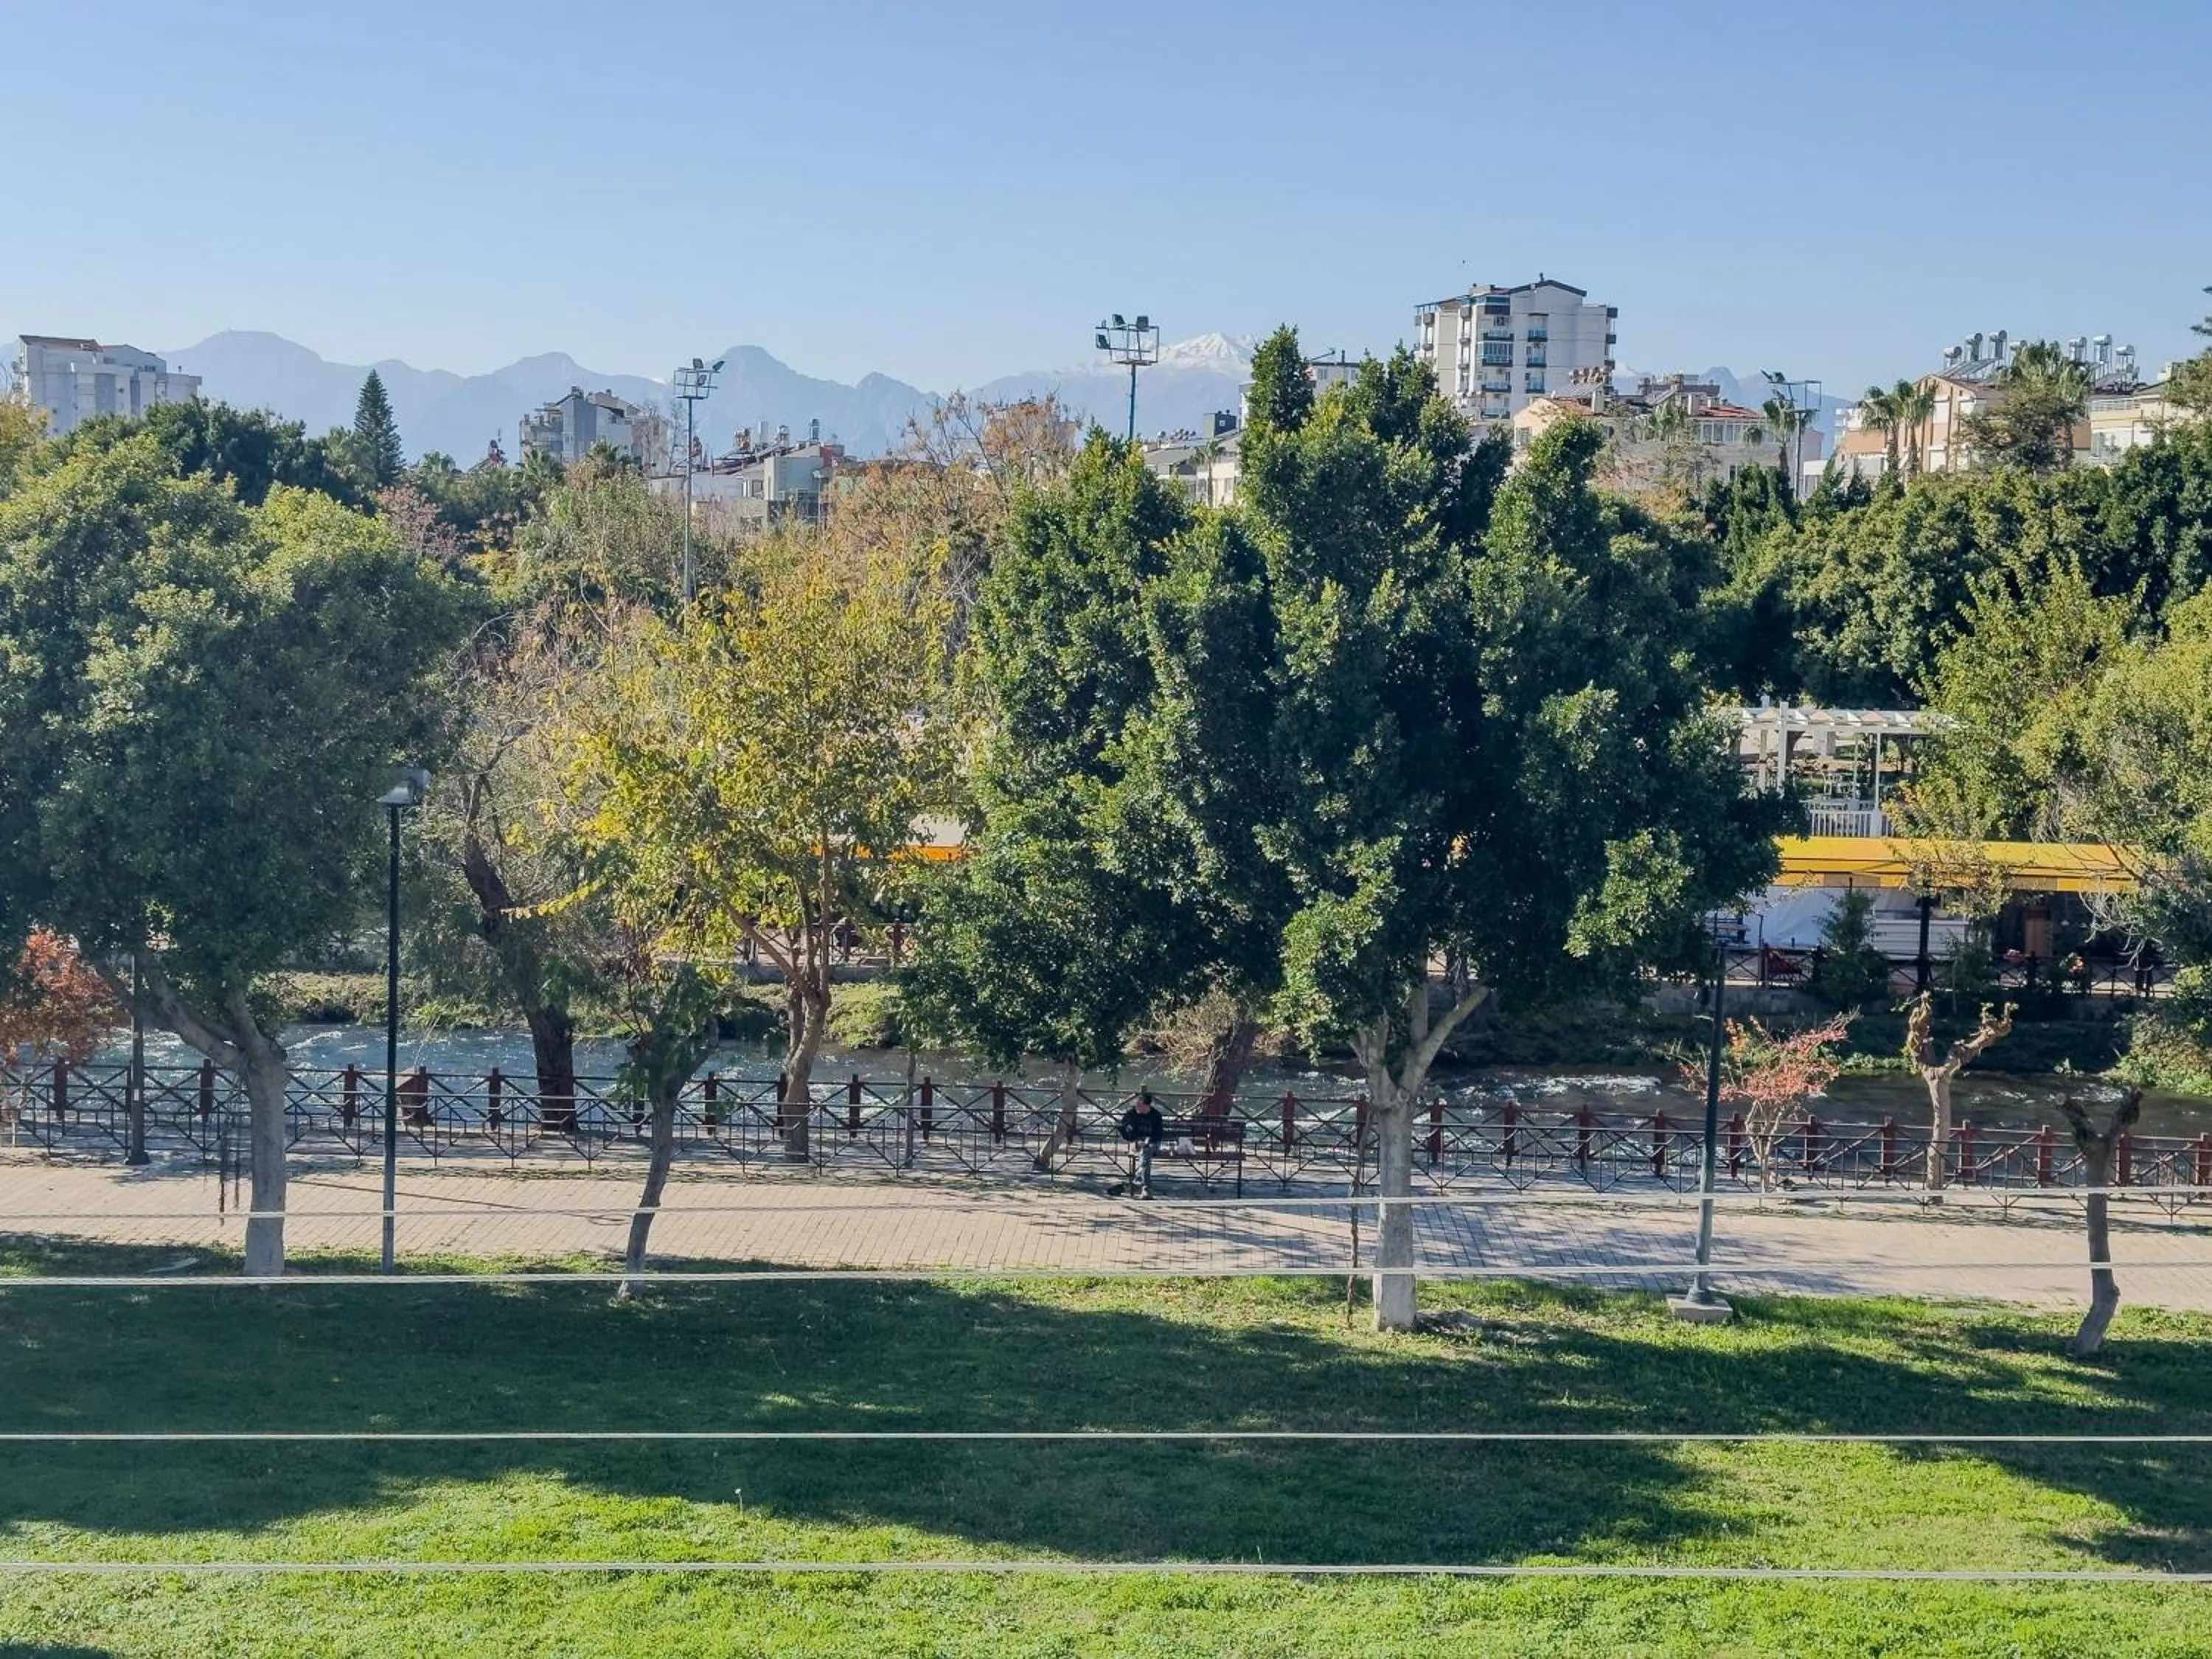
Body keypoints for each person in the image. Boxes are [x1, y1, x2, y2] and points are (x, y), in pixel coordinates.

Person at [1117, 1088, 1166, 1198]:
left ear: (1147, 1105)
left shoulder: (1156, 1116)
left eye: (1140, 1105)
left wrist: (1146, 1142)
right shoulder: (1131, 1114)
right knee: (1145, 1154)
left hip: (1152, 1144)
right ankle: (1144, 1187)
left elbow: (1158, 1136)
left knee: (1146, 1151)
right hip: (1135, 1144)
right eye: (1136, 1105)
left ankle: (1139, 1183)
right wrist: (1132, 1141)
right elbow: (1121, 1128)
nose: (1137, 1107)